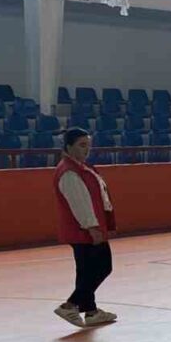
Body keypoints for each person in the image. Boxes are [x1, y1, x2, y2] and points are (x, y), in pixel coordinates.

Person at [54, 127, 118, 328]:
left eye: (88, 145)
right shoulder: (69, 172)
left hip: (86, 228)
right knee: (102, 267)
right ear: (68, 147)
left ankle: (91, 311)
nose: (86, 149)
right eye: (82, 145)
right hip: (84, 230)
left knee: (86, 271)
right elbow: (80, 203)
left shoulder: (81, 168)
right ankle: (70, 305)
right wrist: (92, 227)